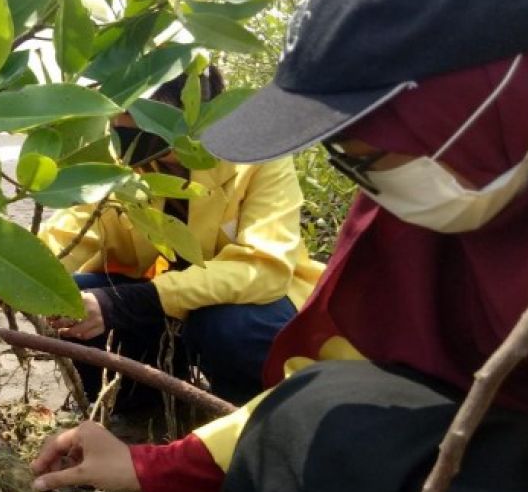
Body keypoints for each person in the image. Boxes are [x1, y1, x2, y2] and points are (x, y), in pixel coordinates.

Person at [31, 0, 528, 492]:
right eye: (347, 157)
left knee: (241, 328)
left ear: (493, 96)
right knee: (312, 418)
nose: (367, 174)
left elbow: (263, 272)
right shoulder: (415, 201)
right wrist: (155, 465)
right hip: (509, 448)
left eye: (372, 145)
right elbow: (337, 375)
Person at [41, 69, 323, 404]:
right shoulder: (129, 165)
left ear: (191, 116)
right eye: (116, 115)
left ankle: (252, 413)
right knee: (74, 296)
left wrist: (126, 303)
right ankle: (137, 407)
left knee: (227, 324)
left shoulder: (258, 156)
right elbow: (70, 233)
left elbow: (264, 269)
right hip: (169, 299)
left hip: (256, 309)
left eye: (137, 116)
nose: (120, 127)